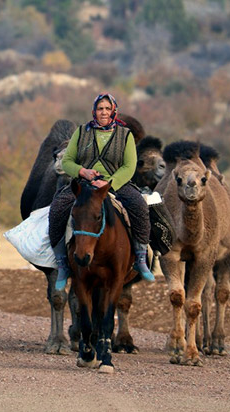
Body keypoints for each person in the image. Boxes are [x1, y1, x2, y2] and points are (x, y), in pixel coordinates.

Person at [49, 94, 155, 290]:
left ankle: (140, 258)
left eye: (107, 108)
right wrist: (83, 172)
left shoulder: (125, 135)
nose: (104, 112)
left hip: (116, 184)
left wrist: (110, 183)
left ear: (113, 110)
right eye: (100, 109)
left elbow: (129, 166)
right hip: (84, 184)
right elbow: (67, 161)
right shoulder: (81, 133)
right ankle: (62, 263)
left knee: (139, 206)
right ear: (94, 111)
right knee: (57, 208)